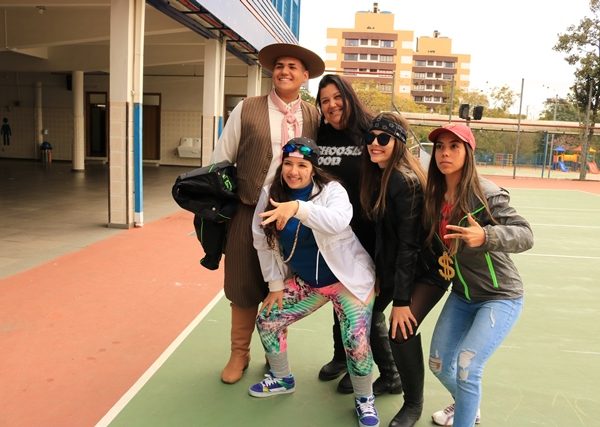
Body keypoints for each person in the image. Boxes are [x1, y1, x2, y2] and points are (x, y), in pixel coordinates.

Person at [210, 43, 324, 384]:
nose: (284, 71)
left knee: (284, 286)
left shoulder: (314, 115)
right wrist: (221, 209)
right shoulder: (247, 108)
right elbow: (221, 160)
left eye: (293, 67)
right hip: (248, 209)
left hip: (294, 214)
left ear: (305, 76)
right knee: (243, 282)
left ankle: (273, 354)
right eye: (280, 65)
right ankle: (239, 353)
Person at [249, 137, 380, 427]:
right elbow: (261, 240)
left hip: (347, 281)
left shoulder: (332, 190)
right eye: (288, 164)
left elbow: (337, 221)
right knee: (268, 320)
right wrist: (275, 285)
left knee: (355, 340)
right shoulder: (270, 193)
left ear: (313, 168)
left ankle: (364, 399)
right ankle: (282, 378)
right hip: (309, 283)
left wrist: (298, 208)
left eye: (302, 165)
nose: (293, 171)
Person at [423, 123, 534, 427]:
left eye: (454, 146)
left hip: (499, 296)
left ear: (468, 152)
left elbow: (525, 235)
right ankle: (467, 405)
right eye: (440, 147)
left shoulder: (486, 194)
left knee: (467, 369)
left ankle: (466, 415)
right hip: (462, 295)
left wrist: (486, 236)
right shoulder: (433, 195)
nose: (445, 153)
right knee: (438, 364)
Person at [360, 112, 449, 427]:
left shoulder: (404, 180)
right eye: (370, 137)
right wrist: (378, 276)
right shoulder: (379, 175)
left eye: (383, 138)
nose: (374, 143)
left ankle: (413, 404)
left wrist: (400, 301)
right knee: (368, 314)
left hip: (429, 270)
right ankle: (390, 377)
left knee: (401, 330)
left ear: (397, 143)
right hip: (400, 266)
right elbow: (387, 238)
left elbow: (409, 246)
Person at [315, 75, 402, 396]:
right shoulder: (321, 133)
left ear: (348, 96)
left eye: (337, 97)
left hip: (369, 234)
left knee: (365, 306)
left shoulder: (369, 131)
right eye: (325, 100)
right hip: (335, 235)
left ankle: (383, 372)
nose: (332, 105)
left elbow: (392, 171)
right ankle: (342, 357)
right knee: (339, 297)